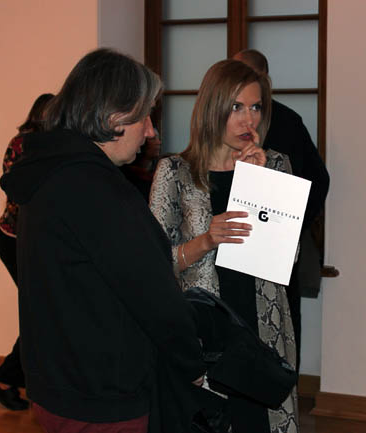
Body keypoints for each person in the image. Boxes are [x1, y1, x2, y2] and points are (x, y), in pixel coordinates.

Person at [0, 48, 205, 432]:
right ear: (114, 117)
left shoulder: (49, 172)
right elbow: (154, 296)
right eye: (145, 116)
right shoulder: (98, 191)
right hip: (102, 395)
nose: (150, 131)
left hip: (57, 386)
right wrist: (192, 362)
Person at [149, 59, 299, 433]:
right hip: (205, 331)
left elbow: (289, 256)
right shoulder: (175, 172)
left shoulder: (275, 165)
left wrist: (259, 183)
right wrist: (205, 241)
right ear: (213, 108)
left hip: (261, 324)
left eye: (256, 107)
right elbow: (152, 265)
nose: (249, 120)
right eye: (236, 107)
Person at [233, 49, 330, 372]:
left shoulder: (287, 121)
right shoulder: (224, 124)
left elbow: (318, 179)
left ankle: (284, 384)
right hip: (236, 236)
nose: (248, 117)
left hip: (278, 242)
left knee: (282, 319)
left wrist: (294, 224)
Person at [0, 92, 54, 411]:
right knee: (39, 312)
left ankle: (9, 379)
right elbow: (16, 188)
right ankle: (3, 379)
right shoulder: (23, 144)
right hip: (14, 238)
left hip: (30, 238)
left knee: (42, 312)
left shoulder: (46, 145)